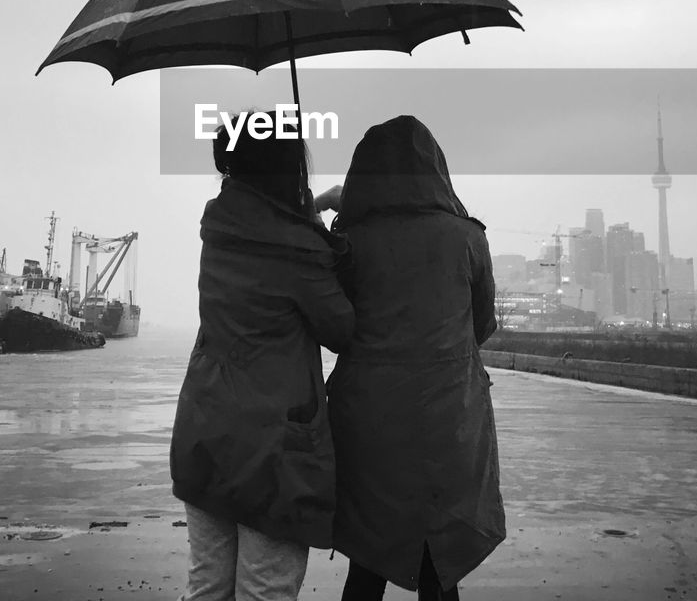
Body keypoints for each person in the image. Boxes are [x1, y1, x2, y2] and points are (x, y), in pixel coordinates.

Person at [169, 110, 355, 601]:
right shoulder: (299, 247)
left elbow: (263, 231)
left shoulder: (219, 226)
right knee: (264, 591)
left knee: (207, 584)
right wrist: (321, 230)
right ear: (287, 166)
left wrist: (310, 211)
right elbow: (342, 328)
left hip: (205, 431)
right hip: (274, 451)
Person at [327, 115, 505, 601]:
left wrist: (328, 217)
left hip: (369, 423)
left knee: (367, 563)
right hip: (449, 421)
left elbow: (335, 328)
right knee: (440, 566)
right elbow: (482, 326)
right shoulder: (467, 238)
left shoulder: (349, 242)